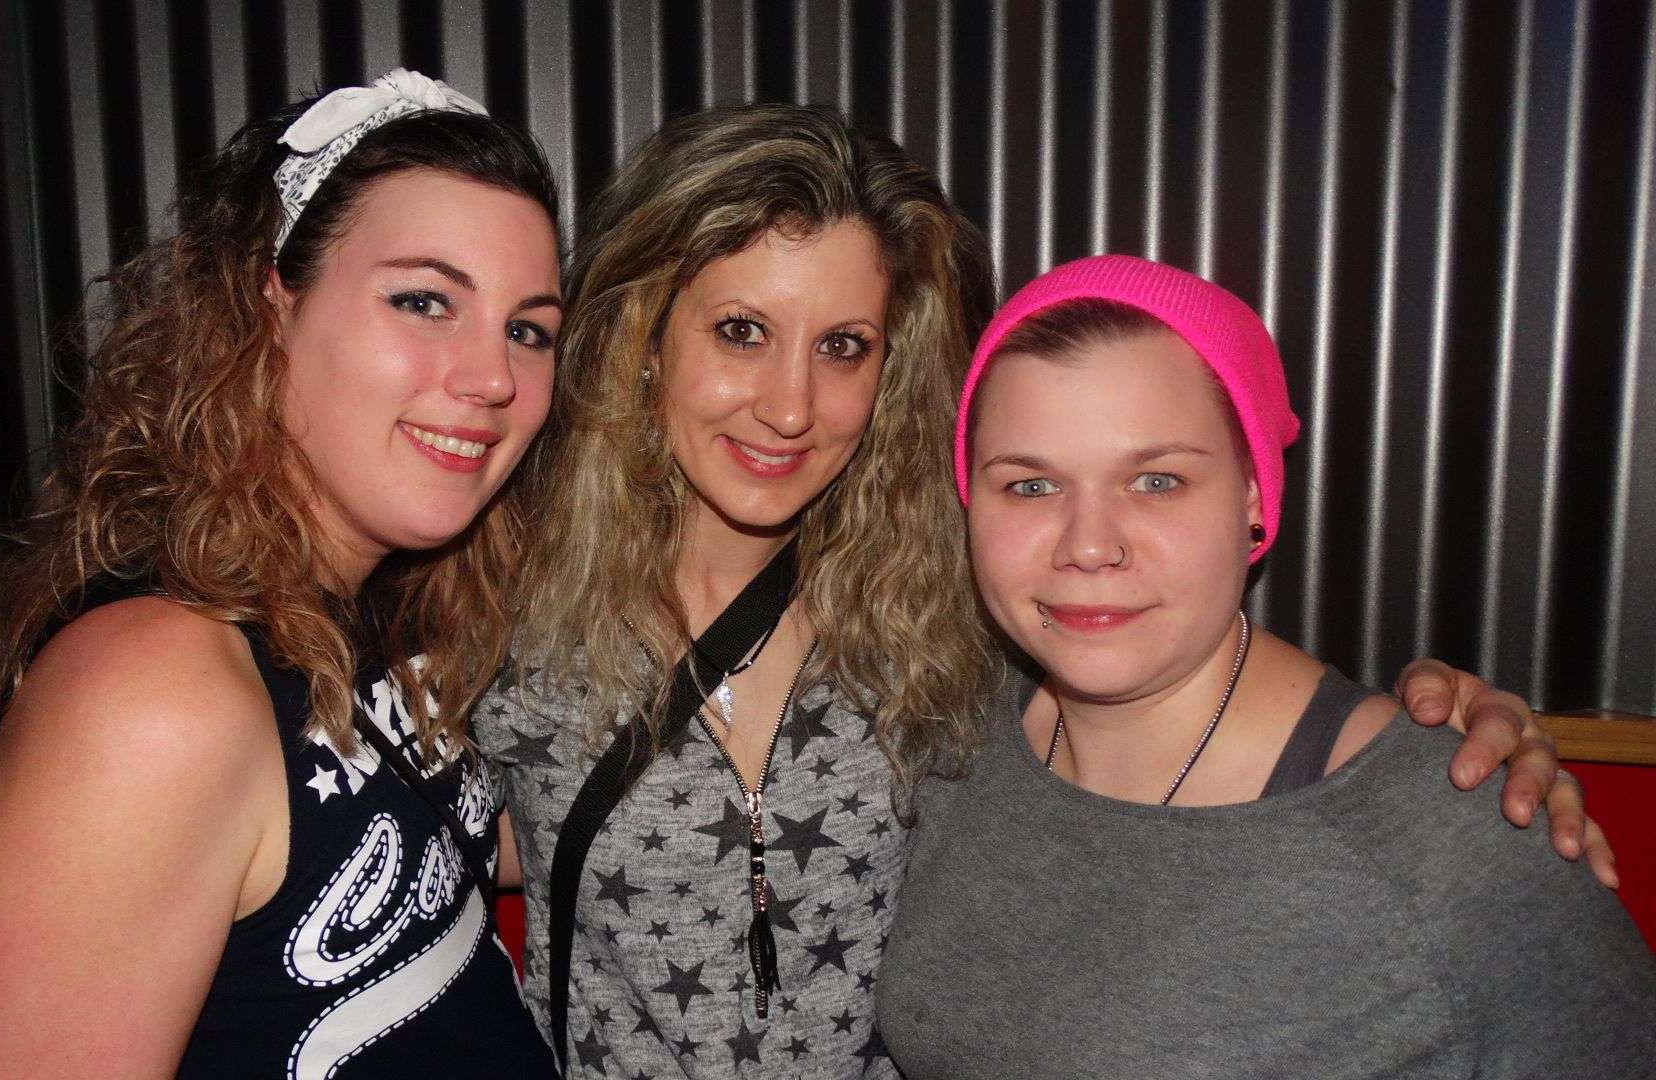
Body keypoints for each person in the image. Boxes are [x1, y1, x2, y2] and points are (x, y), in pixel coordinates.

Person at [479, 106, 1605, 1080]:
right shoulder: (495, 605)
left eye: (845, 346)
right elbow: (441, 839)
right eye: (741, 331)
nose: (790, 405)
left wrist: (1448, 752)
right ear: (642, 336)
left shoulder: (945, 637)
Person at [878, 254, 1656, 1078]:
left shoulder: (1452, 841)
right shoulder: (945, 730)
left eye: (1156, 480)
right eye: (1030, 486)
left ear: (1252, 496)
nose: (1090, 545)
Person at [0, 71, 561, 1078]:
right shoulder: (149, 696)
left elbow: (443, 839)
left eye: (527, 329)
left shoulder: (373, 613)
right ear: (269, 305)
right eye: (424, 301)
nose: (494, 377)